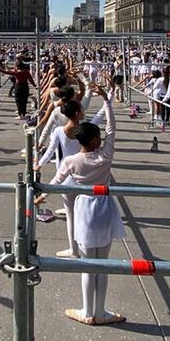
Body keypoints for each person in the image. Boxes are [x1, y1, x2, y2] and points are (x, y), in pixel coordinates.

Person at [49, 84, 125, 326]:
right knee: (102, 264)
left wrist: (38, 196)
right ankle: (100, 312)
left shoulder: (72, 161)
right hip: (104, 207)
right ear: (94, 140)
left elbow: (56, 182)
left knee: (86, 264)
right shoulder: (105, 156)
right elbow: (112, 129)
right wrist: (107, 101)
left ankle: (87, 310)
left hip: (83, 209)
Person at [35, 86, 109, 259]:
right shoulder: (85, 129)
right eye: (81, 109)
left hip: (66, 176)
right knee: (84, 214)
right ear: (77, 113)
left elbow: (50, 151)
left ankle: (74, 250)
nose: (84, 110)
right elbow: (100, 116)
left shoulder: (59, 131)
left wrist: (38, 165)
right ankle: (87, 246)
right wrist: (107, 99)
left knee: (71, 216)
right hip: (83, 174)